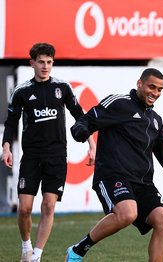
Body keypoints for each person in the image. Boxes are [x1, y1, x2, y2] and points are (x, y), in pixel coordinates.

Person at [65, 68, 163, 262]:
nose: (155, 93)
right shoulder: (118, 103)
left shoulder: (154, 121)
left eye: (159, 90)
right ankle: (78, 250)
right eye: (151, 87)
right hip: (113, 175)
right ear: (139, 84)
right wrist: (80, 130)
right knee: (127, 213)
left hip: (143, 183)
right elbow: (86, 121)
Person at [1, 42, 96, 262]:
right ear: (32, 63)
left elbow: (80, 115)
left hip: (56, 157)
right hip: (31, 156)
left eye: (49, 62)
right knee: (24, 209)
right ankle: (26, 246)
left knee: (48, 205)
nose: (45, 66)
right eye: (41, 62)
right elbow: (11, 122)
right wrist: (6, 147)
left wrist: (91, 143)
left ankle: (37, 256)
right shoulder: (22, 91)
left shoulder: (62, 88)